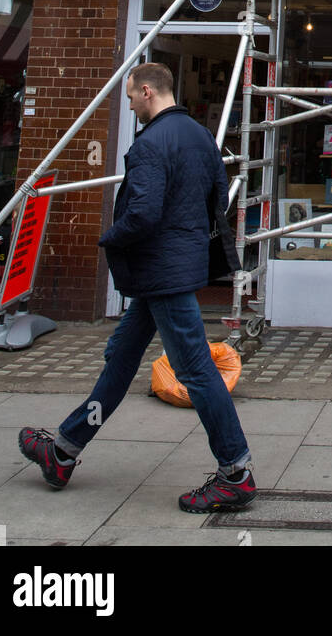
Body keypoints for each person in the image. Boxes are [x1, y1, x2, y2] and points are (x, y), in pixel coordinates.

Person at [17, 63, 256, 515]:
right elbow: (218, 199)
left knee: (198, 373)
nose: (129, 105)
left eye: (130, 98)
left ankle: (236, 474)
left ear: (147, 92)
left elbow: (143, 213)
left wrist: (109, 237)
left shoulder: (150, 144)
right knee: (120, 361)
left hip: (161, 273)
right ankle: (64, 451)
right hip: (171, 271)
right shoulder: (201, 136)